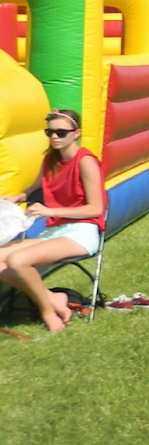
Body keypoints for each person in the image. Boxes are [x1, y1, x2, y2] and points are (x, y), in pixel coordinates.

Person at [0, 109, 106, 331]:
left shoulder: (85, 161)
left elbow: (95, 208)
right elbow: (34, 189)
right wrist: (18, 197)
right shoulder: (50, 159)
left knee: (17, 261)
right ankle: (53, 299)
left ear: (76, 133)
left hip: (81, 232)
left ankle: (47, 311)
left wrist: (49, 211)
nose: (55, 137)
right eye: (50, 132)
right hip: (55, 231)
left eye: (61, 132)